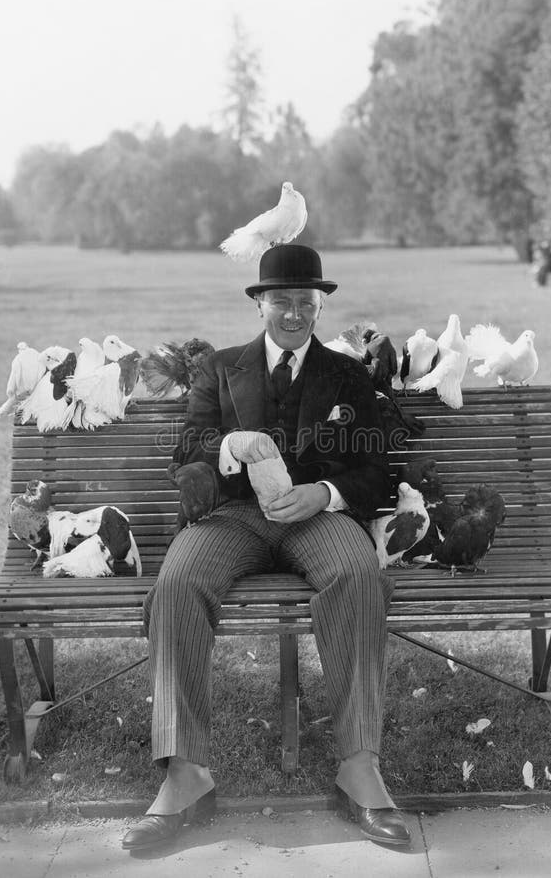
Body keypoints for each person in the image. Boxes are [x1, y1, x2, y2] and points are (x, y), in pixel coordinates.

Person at [122, 244, 411, 851]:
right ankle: (185, 775)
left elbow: (376, 472)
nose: (295, 314)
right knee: (177, 583)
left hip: (316, 519)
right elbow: (189, 455)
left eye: (307, 303)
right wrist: (233, 446)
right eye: (282, 301)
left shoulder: (347, 374)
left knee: (358, 574)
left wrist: (325, 492)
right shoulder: (220, 369)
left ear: (319, 306)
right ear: (259, 304)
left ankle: (358, 768)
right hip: (233, 516)